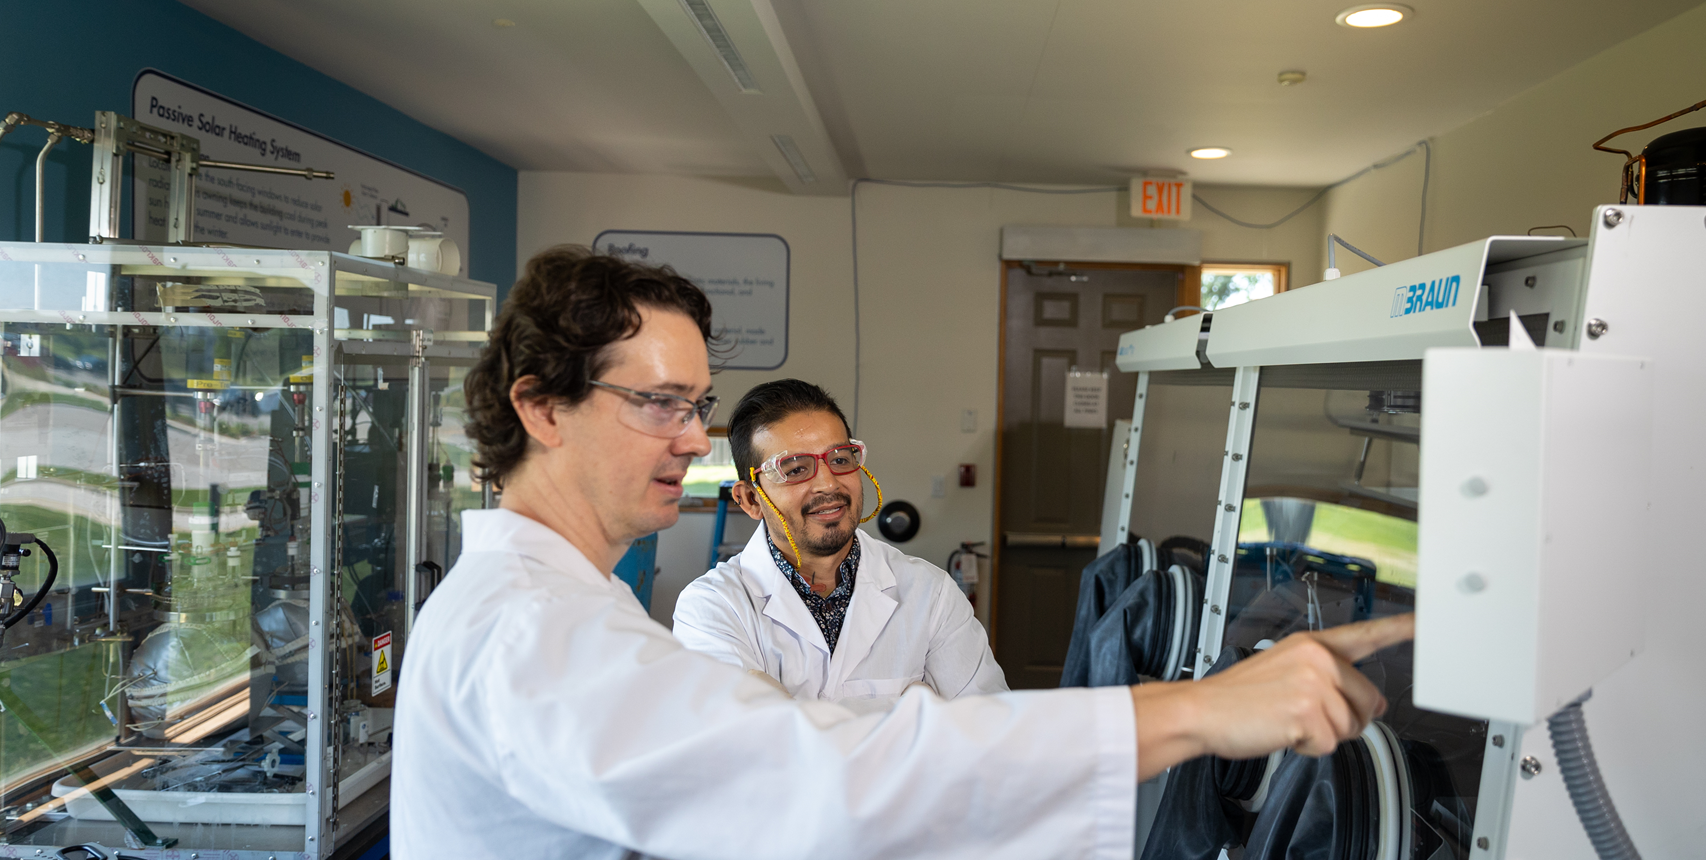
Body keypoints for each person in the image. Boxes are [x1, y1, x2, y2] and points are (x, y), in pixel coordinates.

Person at [391, 246, 1413, 860]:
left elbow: (926, 734)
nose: (687, 437)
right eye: (657, 402)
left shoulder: (564, 601)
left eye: (696, 405)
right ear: (541, 406)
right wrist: (1199, 708)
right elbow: (813, 773)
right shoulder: (532, 626)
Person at [672, 379, 1006, 712]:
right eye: (795, 469)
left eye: (841, 459)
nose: (828, 483)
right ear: (749, 499)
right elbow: (736, 747)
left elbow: (989, 732)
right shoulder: (711, 608)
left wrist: (783, 712)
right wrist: (907, 719)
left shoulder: (931, 595)